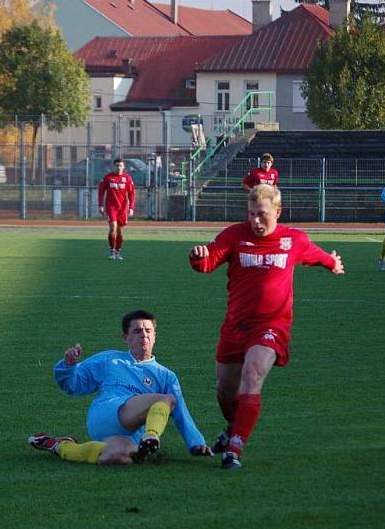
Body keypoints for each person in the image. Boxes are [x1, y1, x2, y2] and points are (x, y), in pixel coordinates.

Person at [188, 185, 344, 470]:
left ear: (278, 212)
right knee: (225, 390)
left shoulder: (293, 239)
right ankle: (232, 428)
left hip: (272, 326)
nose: (256, 221)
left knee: (253, 373)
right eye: (251, 214)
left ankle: (234, 449)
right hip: (235, 326)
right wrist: (198, 256)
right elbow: (208, 261)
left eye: (262, 215)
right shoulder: (234, 235)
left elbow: (317, 255)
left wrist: (332, 262)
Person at [29, 309, 213, 466]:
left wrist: (196, 443)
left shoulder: (166, 375)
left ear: (155, 336)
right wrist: (69, 366)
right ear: (125, 337)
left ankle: (59, 446)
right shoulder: (110, 359)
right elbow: (73, 386)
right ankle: (151, 437)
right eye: (137, 331)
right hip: (107, 412)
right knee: (166, 400)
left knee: (117, 457)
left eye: (148, 330)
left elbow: (181, 413)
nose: (144, 335)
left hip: (129, 434)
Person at [98, 158, 135, 260]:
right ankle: (112, 251)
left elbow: (132, 194)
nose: (119, 167)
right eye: (117, 165)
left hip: (122, 208)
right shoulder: (108, 177)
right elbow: (101, 191)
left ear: (124, 167)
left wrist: (131, 207)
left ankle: (118, 252)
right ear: (113, 166)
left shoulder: (127, 178)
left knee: (119, 231)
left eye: (121, 166)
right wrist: (100, 205)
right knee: (113, 227)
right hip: (111, 207)